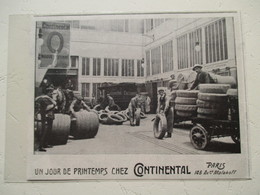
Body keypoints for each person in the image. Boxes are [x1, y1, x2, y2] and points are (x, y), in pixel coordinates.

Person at [35, 87, 57, 152]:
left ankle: (45, 144)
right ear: (48, 92)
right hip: (45, 116)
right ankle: (40, 146)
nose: (52, 94)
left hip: (46, 116)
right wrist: (53, 105)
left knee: (46, 131)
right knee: (43, 131)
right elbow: (47, 108)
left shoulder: (43, 98)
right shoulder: (45, 98)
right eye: (51, 93)